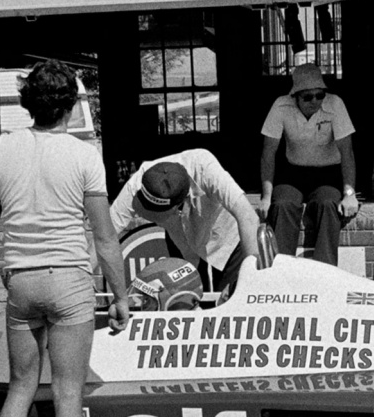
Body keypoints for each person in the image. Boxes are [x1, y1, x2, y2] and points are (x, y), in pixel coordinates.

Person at [0, 59, 130, 417]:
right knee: (66, 394)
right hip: (67, 282)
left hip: (20, 281)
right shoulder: (84, 155)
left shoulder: (2, 148)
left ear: (27, 103)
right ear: (71, 105)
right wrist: (120, 295)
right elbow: (104, 237)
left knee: (20, 388)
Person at [111, 149, 259, 291]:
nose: (156, 220)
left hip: (228, 241)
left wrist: (252, 278)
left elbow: (248, 217)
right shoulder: (136, 186)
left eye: (159, 214)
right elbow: (105, 237)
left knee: (230, 302)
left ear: (179, 205)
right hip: (181, 241)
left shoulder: (205, 167)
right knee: (185, 300)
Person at [259, 63, 359, 265]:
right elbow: (268, 153)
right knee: (282, 205)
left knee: (328, 204)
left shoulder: (335, 104)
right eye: (307, 97)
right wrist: (266, 197)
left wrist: (349, 193)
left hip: (327, 173)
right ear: (295, 96)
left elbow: (347, 152)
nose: (315, 101)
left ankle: (325, 270)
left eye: (319, 95)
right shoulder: (281, 106)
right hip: (293, 172)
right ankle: (281, 269)